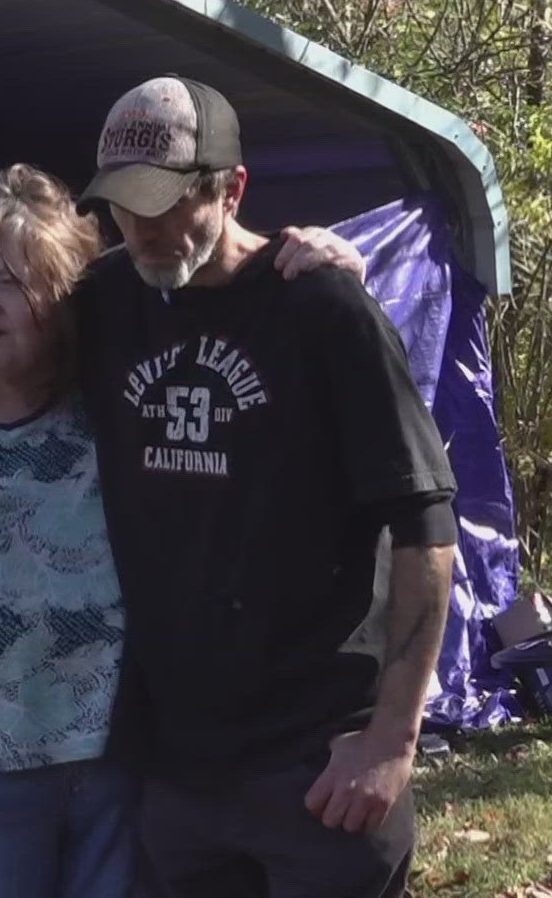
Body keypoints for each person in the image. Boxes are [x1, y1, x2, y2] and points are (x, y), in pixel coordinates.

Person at [0, 164, 365, 898]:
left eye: (13, 284)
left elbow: (211, 287)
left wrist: (318, 258)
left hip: (118, 761)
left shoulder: (116, 391)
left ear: (61, 298)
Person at [73, 75, 459, 897]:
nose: (142, 229)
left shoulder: (318, 306)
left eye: (166, 202)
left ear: (231, 188)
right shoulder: (107, 302)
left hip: (318, 767)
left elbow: (427, 523)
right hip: (178, 771)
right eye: (121, 206)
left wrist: (393, 739)